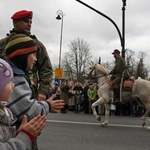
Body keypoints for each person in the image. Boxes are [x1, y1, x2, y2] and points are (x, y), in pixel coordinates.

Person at [4, 34, 64, 149]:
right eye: (33, 54)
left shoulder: (13, 73)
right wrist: (48, 105)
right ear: (22, 55)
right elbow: (29, 112)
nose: (36, 59)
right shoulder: (15, 78)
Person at [0, 10, 53, 101]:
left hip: (29, 91)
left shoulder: (36, 44)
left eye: (30, 22)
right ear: (15, 23)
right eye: (25, 21)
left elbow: (46, 69)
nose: (29, 24)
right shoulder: (3, 44)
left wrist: (42, 92)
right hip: (4, 90)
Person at [0, 58, 46, 150]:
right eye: (9, 81)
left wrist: (18, 133)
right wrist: (25, 136)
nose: (13, 85)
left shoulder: (4, 112)